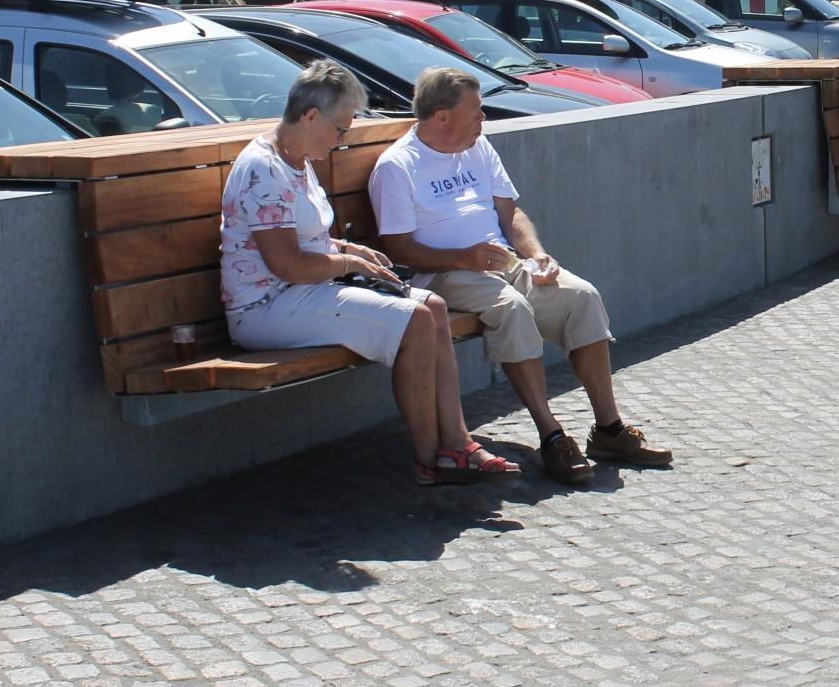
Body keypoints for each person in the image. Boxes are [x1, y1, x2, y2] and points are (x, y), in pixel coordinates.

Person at [220, 61, 520, 487]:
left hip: (304, 292)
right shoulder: (263, 169)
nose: (342, 139)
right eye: (340, 128)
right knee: (416, 317)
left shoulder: (296, 159)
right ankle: (429, 459)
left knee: (431, 306)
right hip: (267, 306)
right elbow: (286, 264)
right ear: (310, 117)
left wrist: (347, 248)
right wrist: (349, 263)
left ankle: (456, 442)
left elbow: (306, 242)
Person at [370, 67, 672, 484]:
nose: (483, 118)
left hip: (502, 263)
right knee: (511, 309)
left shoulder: (478, 147)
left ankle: (608, 430)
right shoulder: (398, 166)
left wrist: (538, 256)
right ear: (441, 116)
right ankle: (551, 436)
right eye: (475, 110)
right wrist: (466, 256)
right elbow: (399, 250)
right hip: (442, 274)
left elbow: (510, 215)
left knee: (581, 296)